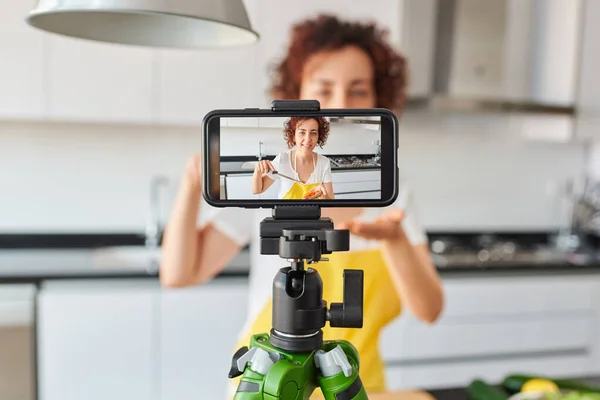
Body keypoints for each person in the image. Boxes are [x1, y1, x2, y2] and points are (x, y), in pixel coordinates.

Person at [160, 14, 444, 394]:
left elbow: (428, 311)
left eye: (358, 90)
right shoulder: (274, 178)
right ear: (297, 97)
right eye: (324, 89)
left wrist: (394, 240)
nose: (340, 105)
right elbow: (179, 274)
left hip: (357, 383)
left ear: (379, 98)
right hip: (270, 381)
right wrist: (192, 185)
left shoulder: (390, 189)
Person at [251, 116, 335, 200]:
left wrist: (321, 194)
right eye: (302, 132)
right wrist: (258, 170)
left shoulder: (324, 163)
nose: (308, 139)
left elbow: (331, 202)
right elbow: (257, 190)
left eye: (313, 133)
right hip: (285, 213)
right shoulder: (282, 160)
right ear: (293, 136)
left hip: (313, 213)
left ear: (318, 136)